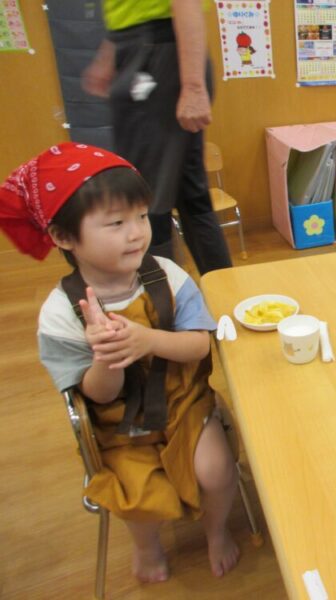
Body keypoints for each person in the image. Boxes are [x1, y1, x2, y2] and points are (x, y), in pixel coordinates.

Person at [0, 143, 239, 581]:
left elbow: (199, 347)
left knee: (218, 470)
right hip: (118, 427)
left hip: (184, 404)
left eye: (142, 216)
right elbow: (97, 396)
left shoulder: (169, 275)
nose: (137, 233)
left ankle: (217, 531)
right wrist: (107, 357)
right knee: (138, 495)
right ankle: (147, 547)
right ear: (64, 237)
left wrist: (148, 340)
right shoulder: (59, 313)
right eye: (116, 223)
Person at [81, 0, 232, 275]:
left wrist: (194, 87)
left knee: (147, 200)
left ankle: (163, 294)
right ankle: (221, 289)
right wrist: (110, 53)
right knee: (188, 194)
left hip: (156, 54)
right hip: (146, 51)